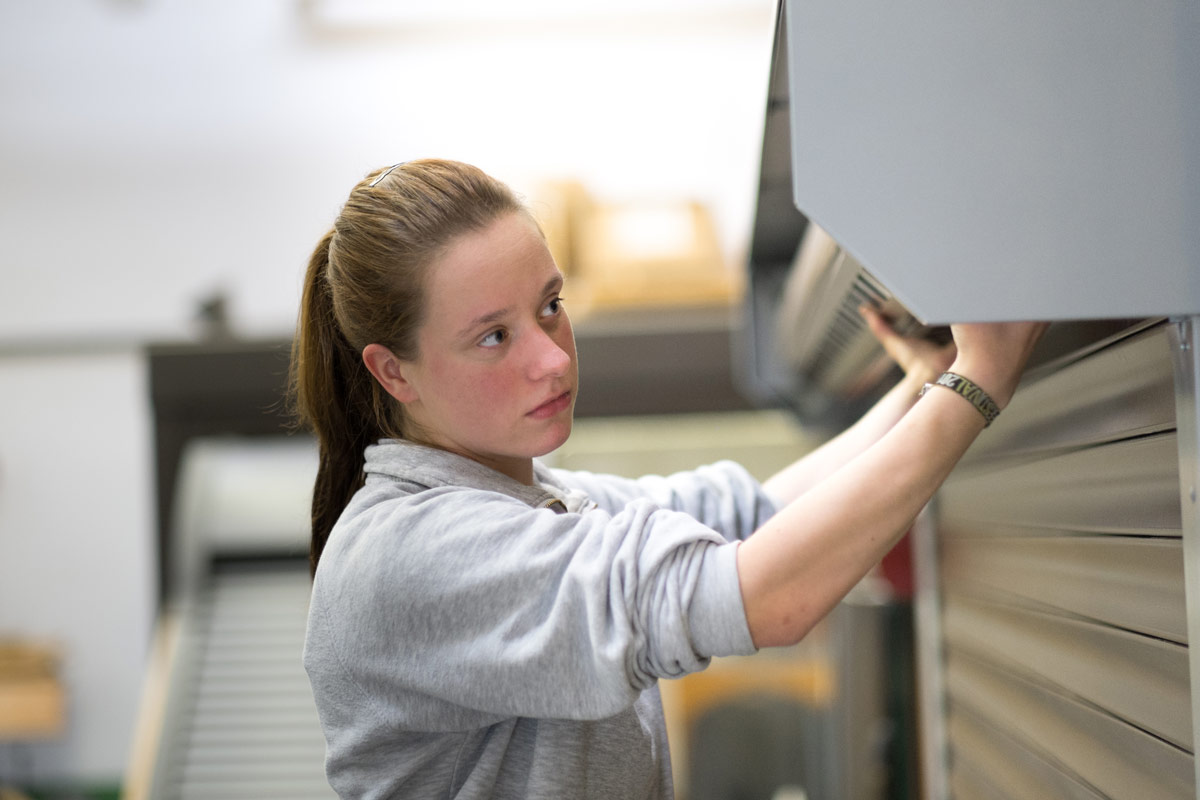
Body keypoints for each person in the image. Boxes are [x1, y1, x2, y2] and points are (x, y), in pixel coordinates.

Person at [290, 159, 1046, 799]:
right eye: (494, 337)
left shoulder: (532, 504)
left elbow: (753, 517)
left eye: (550, 307)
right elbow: (768, 599)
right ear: (394, 372)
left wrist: (929, 380)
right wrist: (977, 385)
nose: (553, 358)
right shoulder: (411, 555)